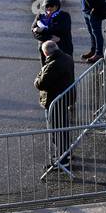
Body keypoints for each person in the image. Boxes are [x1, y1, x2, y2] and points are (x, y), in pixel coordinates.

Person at [35, 39, 76, 167]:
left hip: (54, 100)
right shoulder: (67, 58)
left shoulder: (52, 65)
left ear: (46, 53)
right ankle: (66, 153)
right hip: (64, 98)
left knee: (56, 130)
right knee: (62, 128)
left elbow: (40, 83)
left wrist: (37, 78)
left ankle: (62, 160)